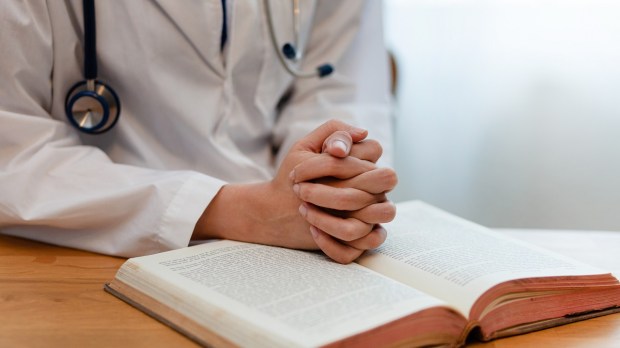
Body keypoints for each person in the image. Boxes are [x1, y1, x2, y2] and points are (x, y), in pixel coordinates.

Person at [0, 1, 396, 264]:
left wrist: (333, 182)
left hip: (292, 243)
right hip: (96, 250)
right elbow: (14, 158)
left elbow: (339, 84)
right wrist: (243, 211)